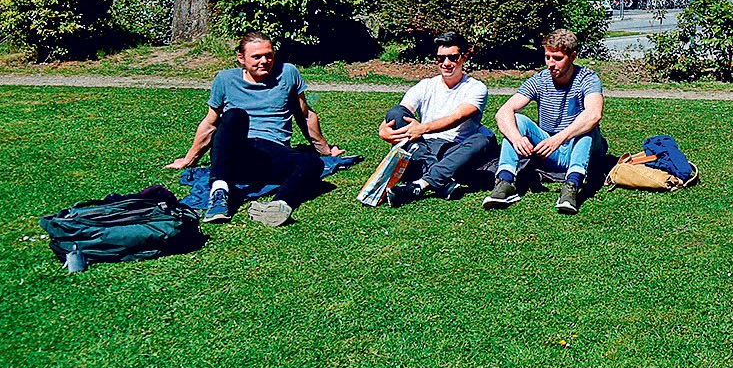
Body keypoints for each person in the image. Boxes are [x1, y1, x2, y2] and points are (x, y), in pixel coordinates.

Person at [166, 31, 340, 226]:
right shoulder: (225, 79)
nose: (264, 61)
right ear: (241, 58)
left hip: (270, 153)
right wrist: (189, 159)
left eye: (269, 55)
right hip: (235, 152)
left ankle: (279, 205)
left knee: (313, 163)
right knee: (234, 115)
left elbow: (305, 115)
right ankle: (219, 193)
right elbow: (210, 124)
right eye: (257, 57)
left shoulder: (288, 73)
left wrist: (325, 150)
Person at [484, 28, 604, 214]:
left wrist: (558, 139)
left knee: (587, 128)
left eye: (557, 58)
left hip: (581, 148)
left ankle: (572, 186)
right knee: (516, 120)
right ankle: (505, 182)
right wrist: (517, 138)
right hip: (549, 150)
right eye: (548, 57)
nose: (551, 64)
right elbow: (503, 112)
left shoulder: (587, 78)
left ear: (572, 57)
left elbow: (594, 114)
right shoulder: (540, 80)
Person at [379, 31, 495, 205]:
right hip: (424, 146)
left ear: (464, 58)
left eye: (453, 58)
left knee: (483, 140)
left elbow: (457, 117)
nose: (446, 63)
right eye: (441, 58)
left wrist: (422, 128)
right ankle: (441, 180)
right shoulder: (426, 85)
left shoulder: (476, 88)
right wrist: (383, 130)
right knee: (396, 112)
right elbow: (400, 111)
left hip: (455, 147)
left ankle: (419, 185)